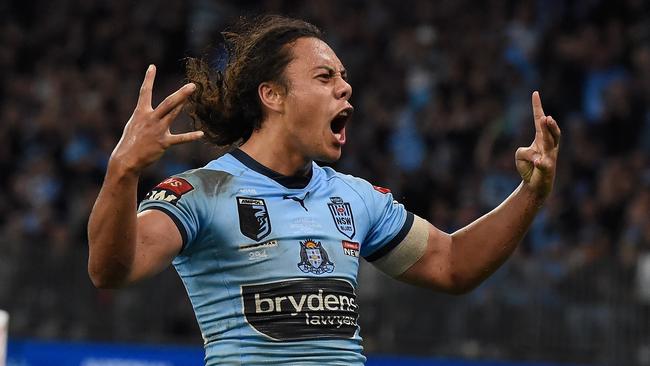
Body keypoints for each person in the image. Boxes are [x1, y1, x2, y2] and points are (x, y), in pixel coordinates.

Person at [87, 15, 560, 365]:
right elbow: (112, 270)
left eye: (344, 76)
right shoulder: (202, 193)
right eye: (324, 77)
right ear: (272, 96)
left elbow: (454, 265)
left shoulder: (356, 198)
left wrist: (531, 194)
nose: (345, 89)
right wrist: (122, 170)